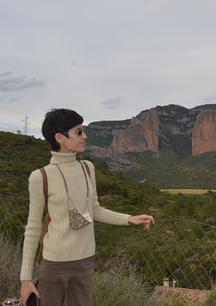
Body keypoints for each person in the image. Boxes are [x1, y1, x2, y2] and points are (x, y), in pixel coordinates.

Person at [19, 109, 154, 306]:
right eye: (79, 132)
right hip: (53, 265)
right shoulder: (41, 177)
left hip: (84, 262)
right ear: (60, 137)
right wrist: (25, 279)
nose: (85, 136)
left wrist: (128, 218)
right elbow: (32, 229)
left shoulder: (87, 168)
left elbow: (95, 210)